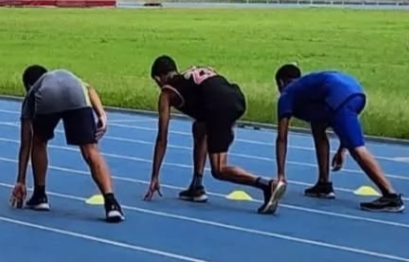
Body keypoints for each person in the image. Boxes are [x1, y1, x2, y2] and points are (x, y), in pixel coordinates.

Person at [147, 56, 285, 215]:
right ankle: (196, 185)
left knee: (219, 169)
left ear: (160, 78)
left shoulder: (167, 92)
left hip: (218, 106)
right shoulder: (191, 74)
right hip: (235, 96)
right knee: (199, 127)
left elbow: (162, 138)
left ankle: (267, 186)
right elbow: (216, 87)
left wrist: (155, 176)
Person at [273, 64, 404, 212]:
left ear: (281, 83)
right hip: (354, 90)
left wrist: (281, 175)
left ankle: (391, 196)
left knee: (358, 149)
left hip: (340, 97)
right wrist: (342, 147)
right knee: (318, 127)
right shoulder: (307, 89)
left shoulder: (287, 94)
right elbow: (337, 121)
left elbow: (282, 138)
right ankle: (324, 184)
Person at [11, 65, 124, 223]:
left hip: (48, 98)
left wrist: (21, 181)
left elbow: (25, 143)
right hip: (77, 93)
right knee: (90, 149)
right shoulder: (66, 77)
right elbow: (89, 88)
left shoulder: (34, 92)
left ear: (29, 86)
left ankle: (39, 196)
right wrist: (102, 114)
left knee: (39, 141)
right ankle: (111, 204)